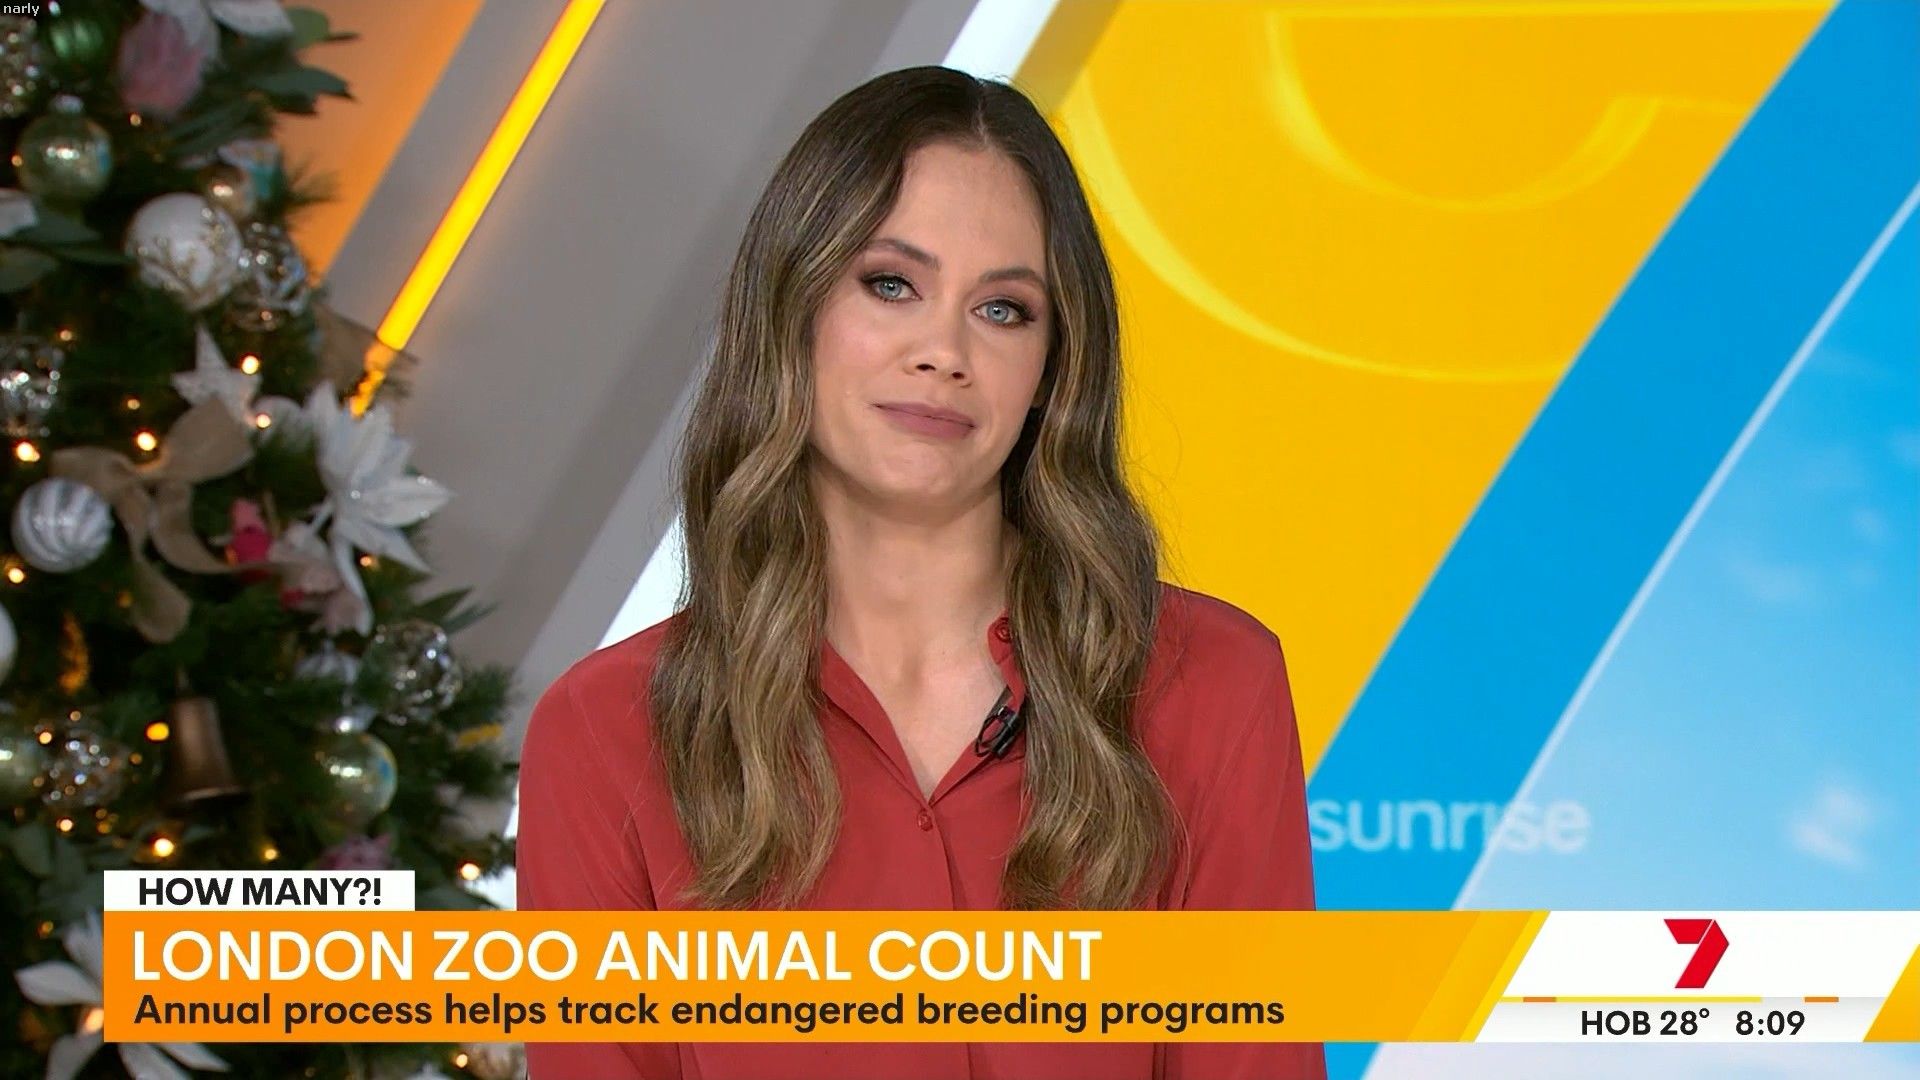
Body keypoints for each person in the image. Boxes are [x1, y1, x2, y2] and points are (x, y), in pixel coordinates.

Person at [516, 64, 1323, 1080]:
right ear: (793, 310)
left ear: (1052, 372)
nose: (944, 351)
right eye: (891, 284)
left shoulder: (1211, 681)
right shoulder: (605, 731)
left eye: (1004, 310)